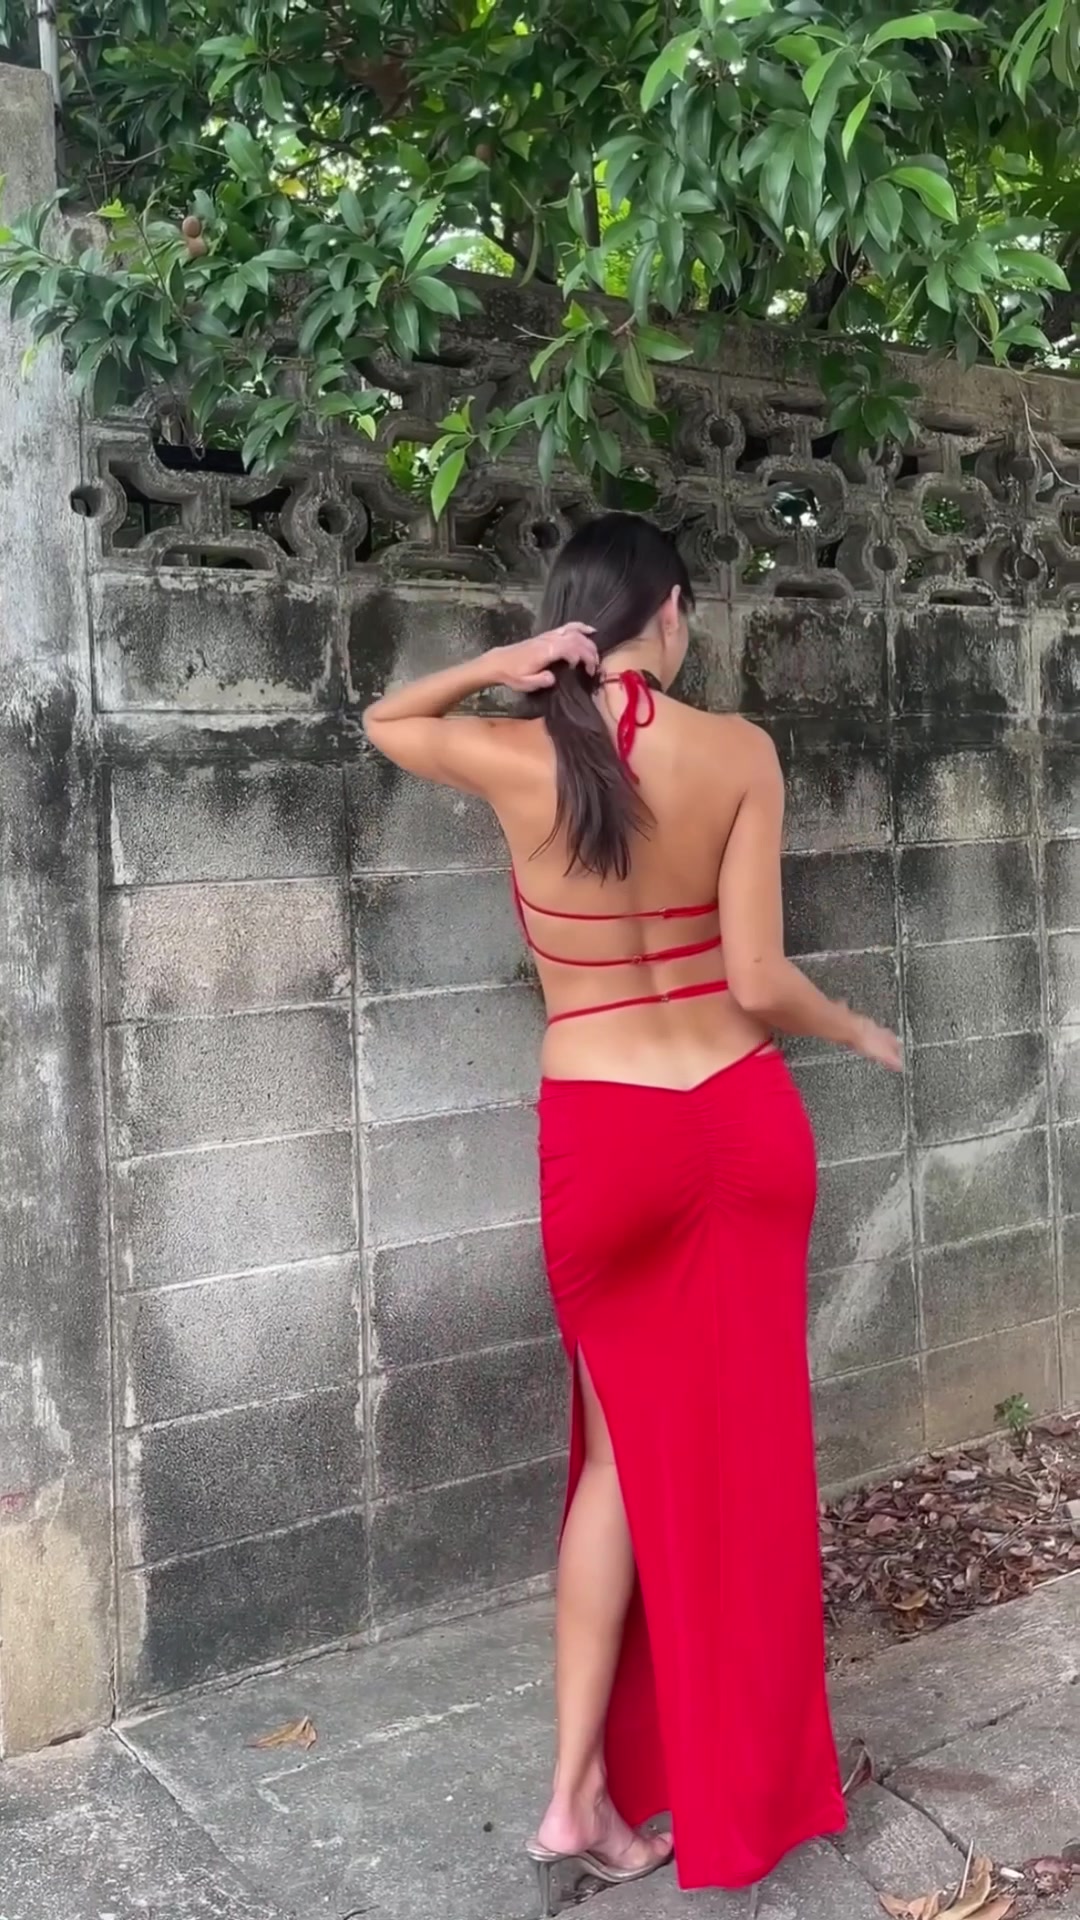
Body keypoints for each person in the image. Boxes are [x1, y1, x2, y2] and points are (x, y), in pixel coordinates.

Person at [363, 513, 902, 1914]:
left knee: (615, 1463)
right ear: (670, 612)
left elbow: (385, 719)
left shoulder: (517, 756)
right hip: (738, 1126)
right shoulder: (739, 754)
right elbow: (761, 983)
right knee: (752, 1460)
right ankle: (745, 1788)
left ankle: (574, 1795)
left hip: (605, 1145)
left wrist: (502, 666)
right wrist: (854, 1028)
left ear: (570, 625)